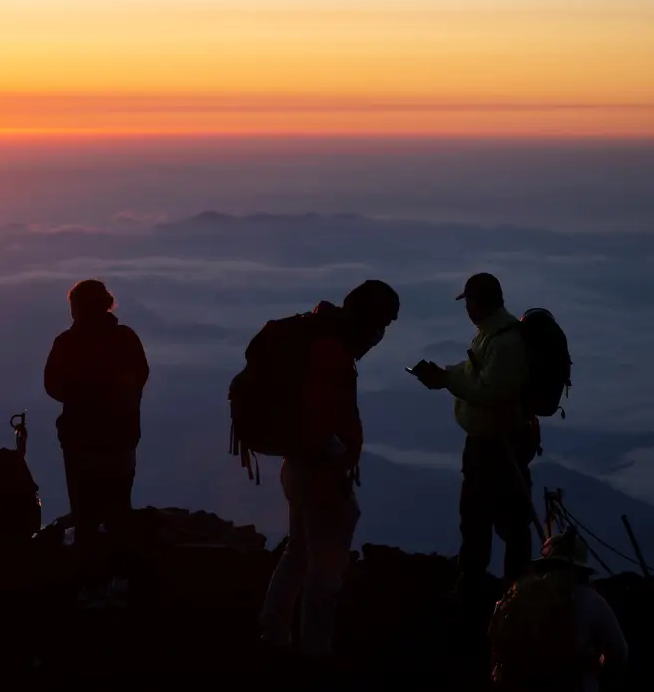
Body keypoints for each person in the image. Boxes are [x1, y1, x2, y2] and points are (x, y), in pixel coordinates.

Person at [258, 280, 400, 661]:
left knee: (299, 553)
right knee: (325, 573)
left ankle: (273, 635)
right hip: (318, 475)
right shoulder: (330, 352)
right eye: (381, 325)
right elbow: (320, 423)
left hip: (301, 469)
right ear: (365, 320)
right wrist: (337, 464)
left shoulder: (322, 342)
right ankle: (314, 654)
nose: (381, 336)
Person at [412, 273, 538, 598]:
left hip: (499, 443)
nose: (466, 308)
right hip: (488, 441)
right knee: (482, 514)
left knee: (492, 514)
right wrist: (444, 375)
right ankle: (484, 578)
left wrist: (446, 382)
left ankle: (509, 589)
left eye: (468, 301)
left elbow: (491, 391)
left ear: (480, 303)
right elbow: (474, 372)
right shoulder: (490, 335)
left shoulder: (505, 342)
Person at [44, 279, 149, 605]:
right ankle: (121, 580)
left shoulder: (66, 343)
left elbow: (52, 386)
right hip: (120, 441)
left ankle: (89, 585)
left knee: (85, 515)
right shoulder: (126, 339)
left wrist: (80, 397)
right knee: (119, 511)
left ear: (76, 307)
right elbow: (140, 376)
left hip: (80, 444)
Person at [488, 529, 628, 692]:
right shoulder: (590, 600)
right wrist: (595, 664)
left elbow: (494, 640)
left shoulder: (517, 595)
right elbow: (619, 652)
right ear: (580, 569)